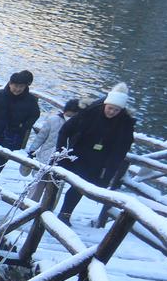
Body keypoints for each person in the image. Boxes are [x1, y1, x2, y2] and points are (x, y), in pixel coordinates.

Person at [56, 83, 136, 218]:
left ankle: (65, 214)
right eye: (110, 108)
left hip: (99, 160)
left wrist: (108, 173)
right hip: (78, 152)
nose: (112, 112)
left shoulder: (125, 122)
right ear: (105, 104)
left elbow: (122, 149)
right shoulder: (90, 112)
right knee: (56, 179)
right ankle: (45, 207)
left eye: (116, 110)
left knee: (79, 187)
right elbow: (65, 130)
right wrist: (61, 150)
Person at [20, 95, 84, 175]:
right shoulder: (53, 120)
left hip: (62, 160)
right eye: (68, 116)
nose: (70, 119)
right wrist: (32, 150)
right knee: (38, 176)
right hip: (45, 156)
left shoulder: (79, 127)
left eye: (73, 117)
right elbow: (41, 137)